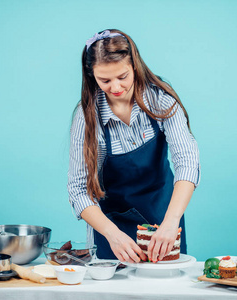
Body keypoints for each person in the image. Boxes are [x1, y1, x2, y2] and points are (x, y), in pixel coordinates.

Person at [68, 29, 200, 263]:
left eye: (122, 76)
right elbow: (78, 189)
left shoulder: (161, 101)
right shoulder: (87, 116)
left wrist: (171, 222)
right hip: (112, 229)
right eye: (104, 80)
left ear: (135, 66)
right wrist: (112, 234)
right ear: (92, 76)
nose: (116, 87)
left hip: (163, 217)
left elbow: (187, 161)